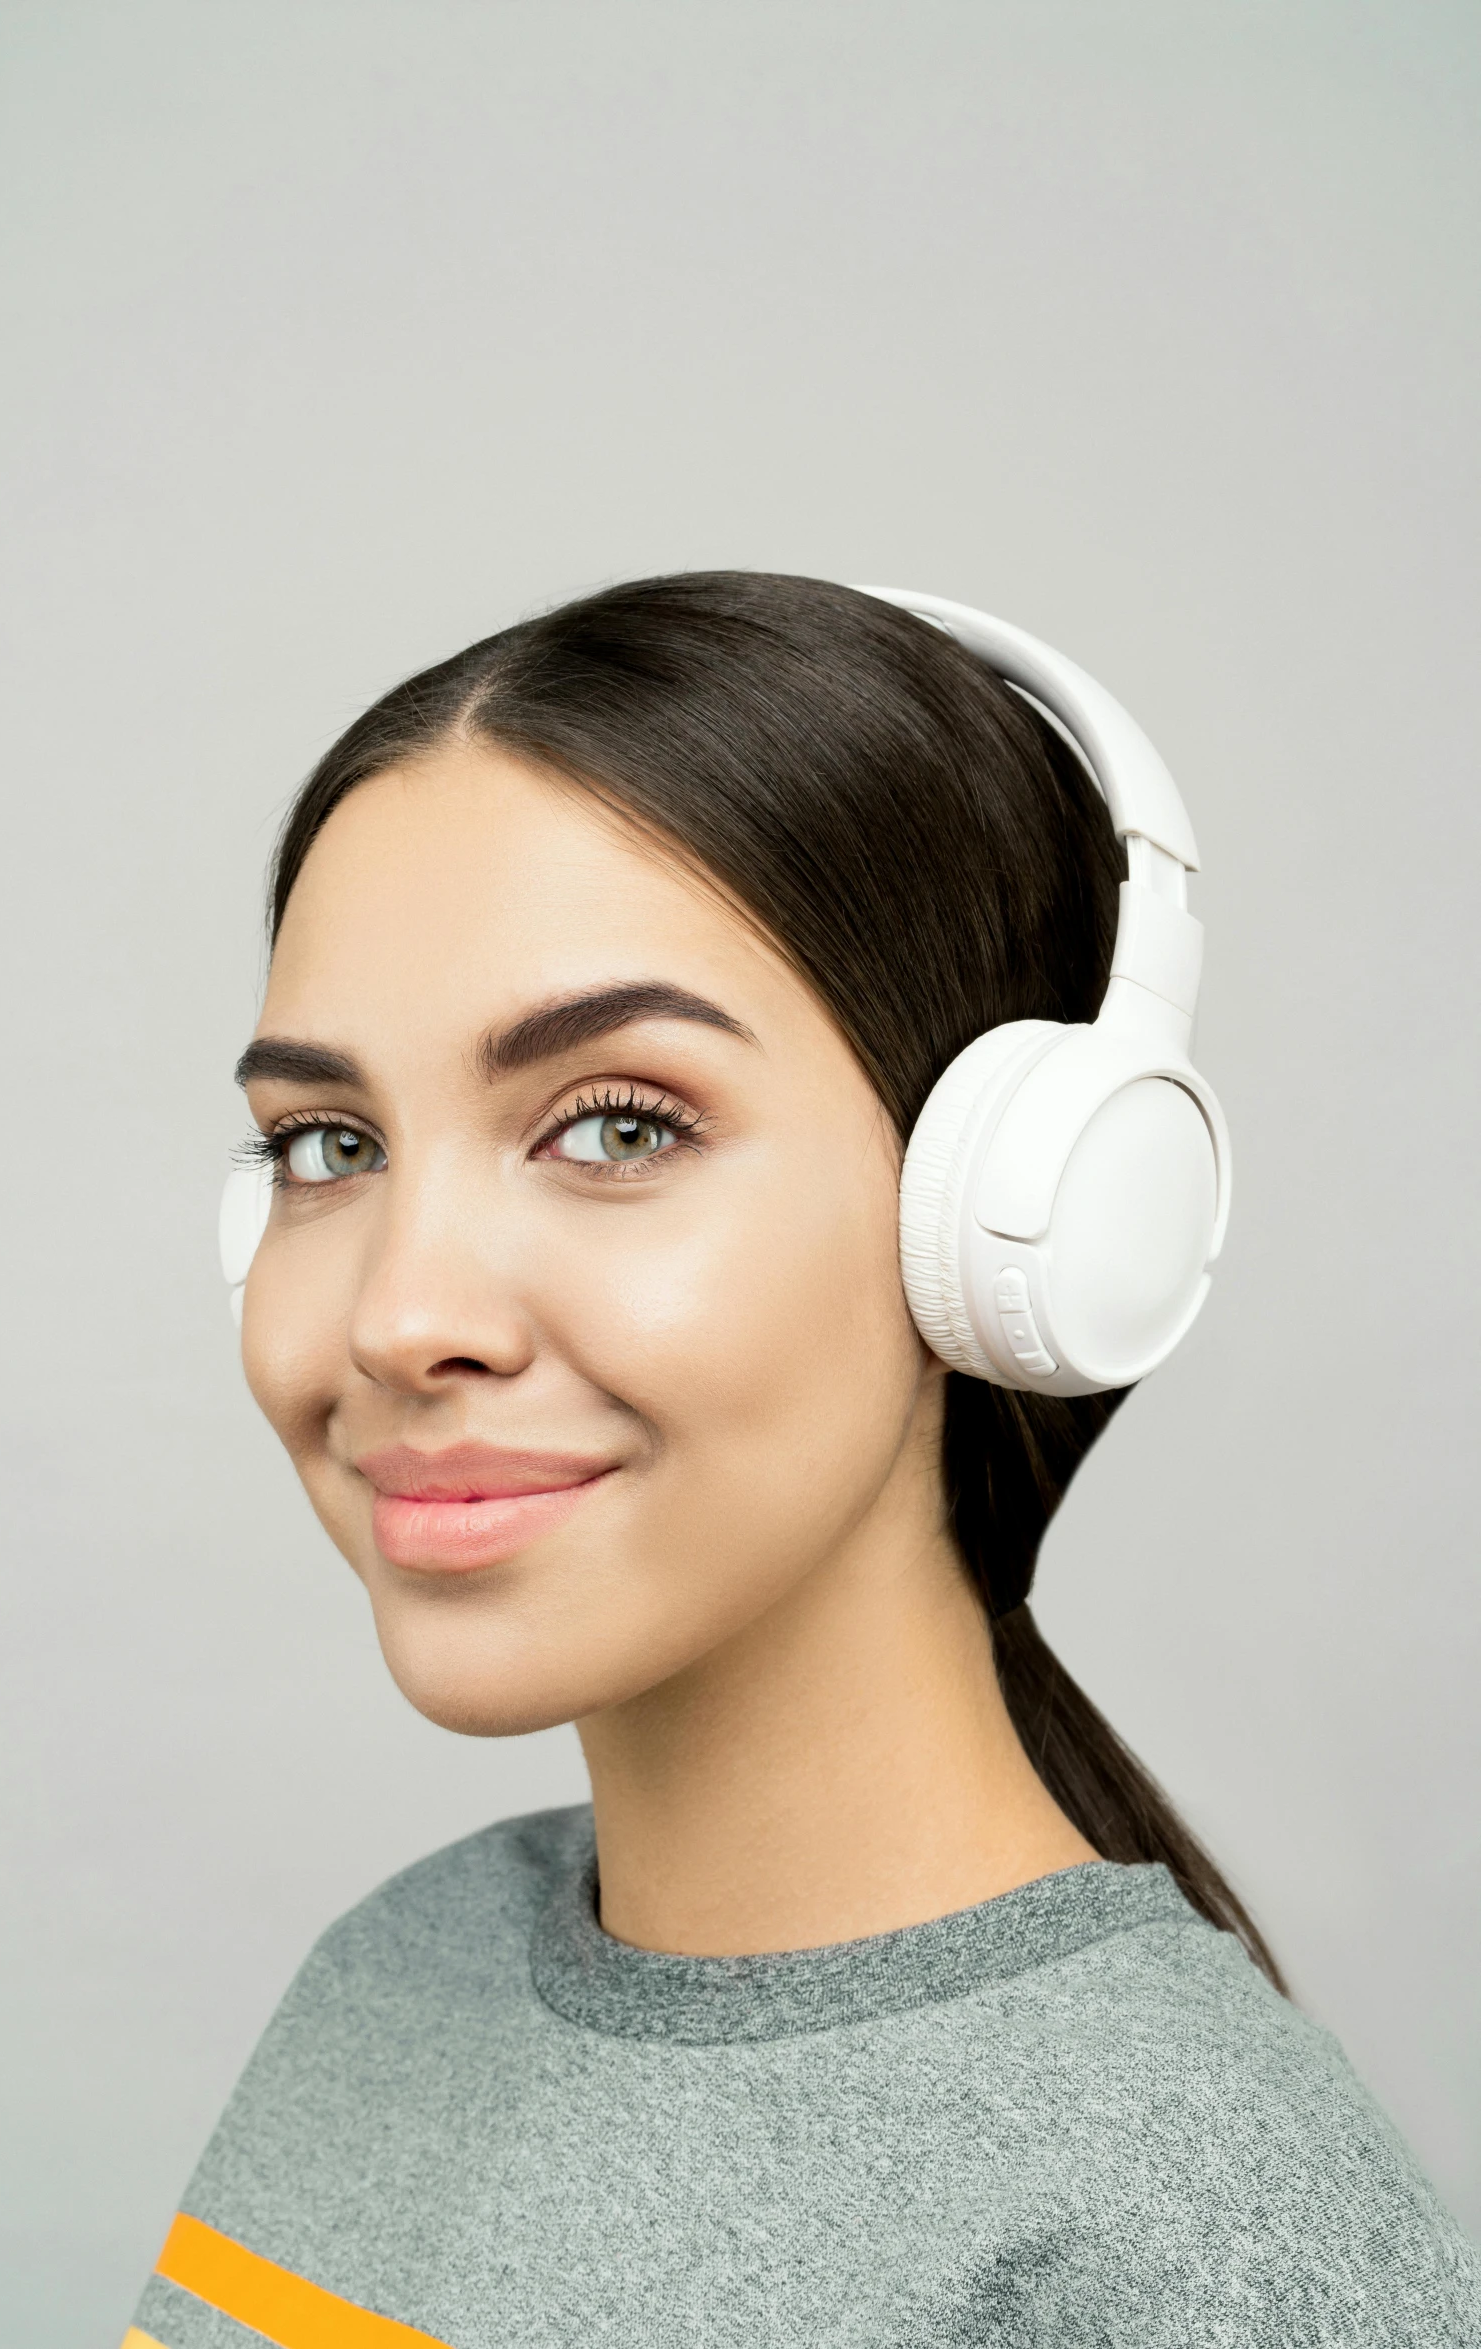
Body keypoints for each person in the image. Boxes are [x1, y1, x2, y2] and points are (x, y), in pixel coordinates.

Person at [126, 574, 1478, 2349]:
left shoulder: (1186, 2246)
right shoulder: (403, 1973)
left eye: (616, 1124)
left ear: (1013, 1221)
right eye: (326, 1145)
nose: (399, 1317)